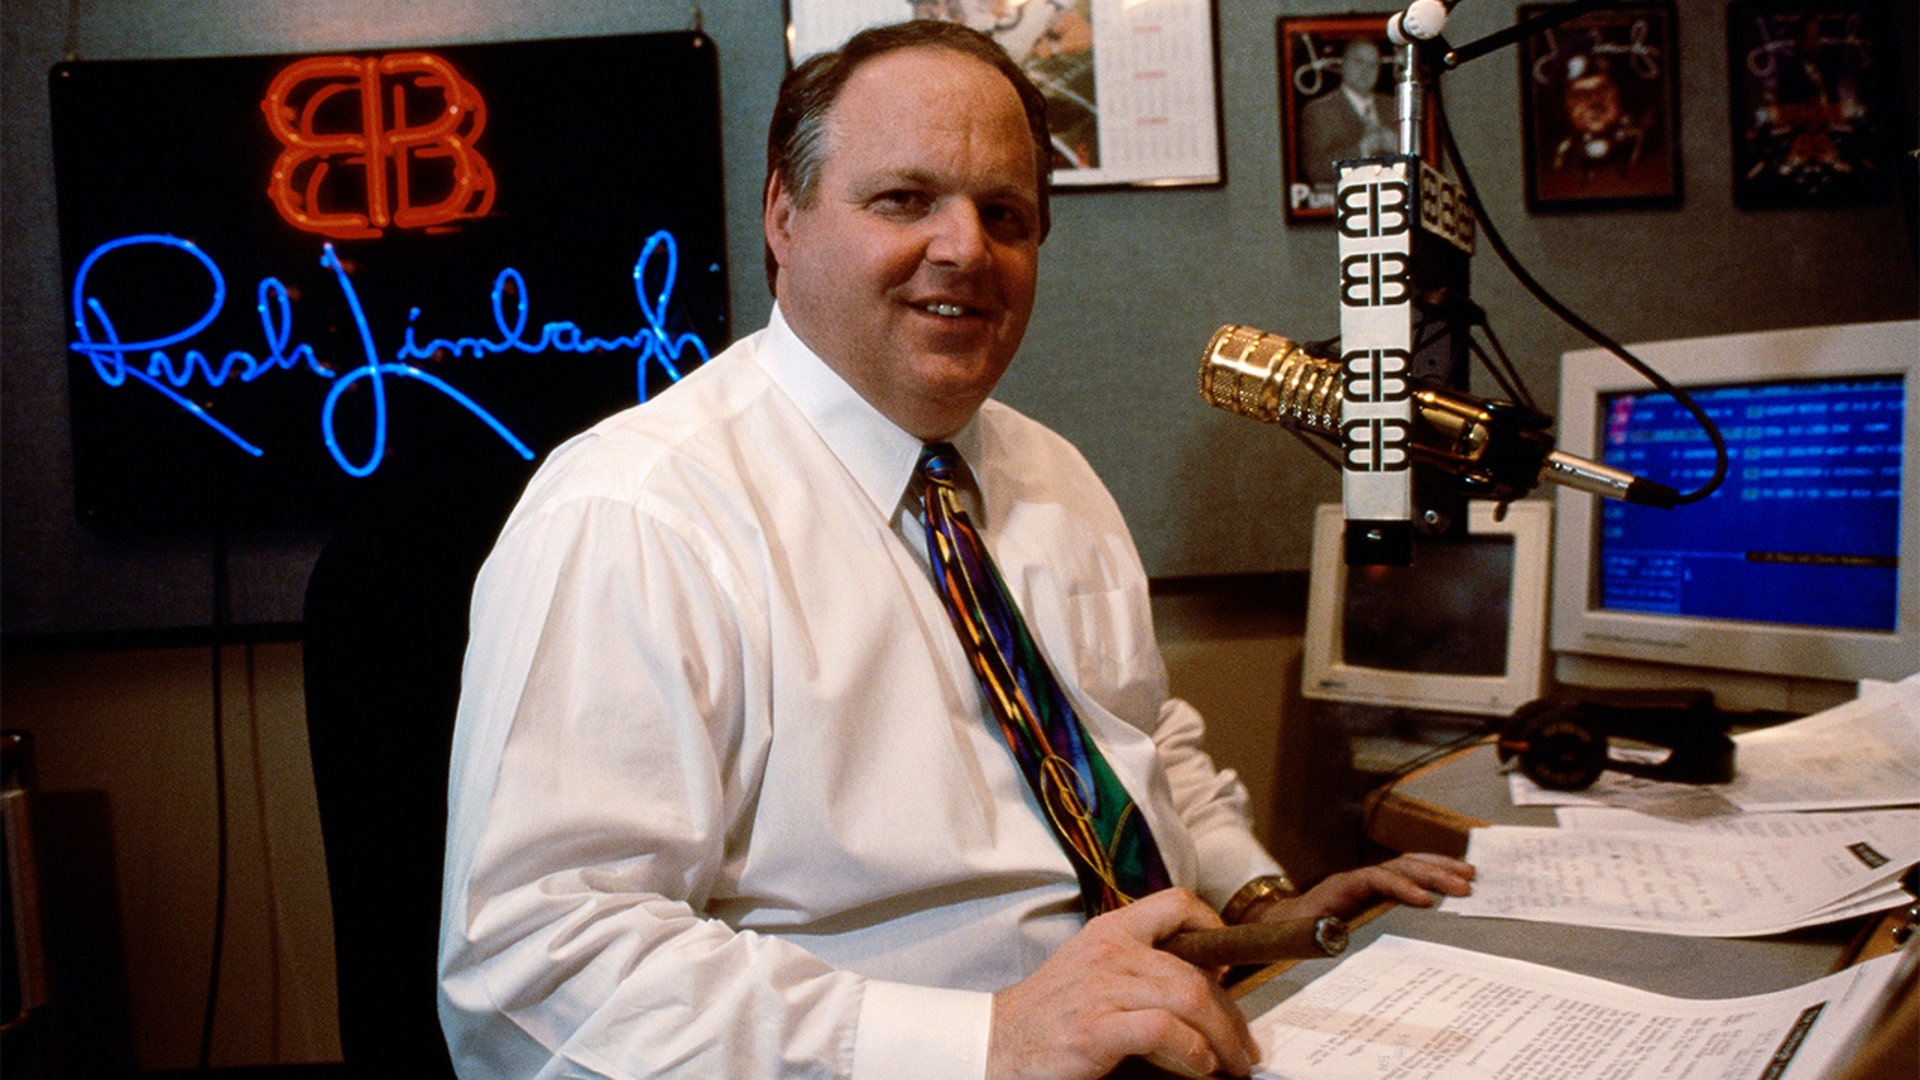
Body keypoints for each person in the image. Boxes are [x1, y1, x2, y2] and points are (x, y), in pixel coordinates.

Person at [438, 20, 1473, 1080]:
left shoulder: (1053, 473)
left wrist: (1264, 907)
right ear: (784, 217)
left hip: (1175, 1026)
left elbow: (1140, 743)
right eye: (904, 199)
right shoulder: (636, 514)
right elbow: (537, 971)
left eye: (1005, 215)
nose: (966, 249)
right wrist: (988, 1041)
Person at [1297, 38, 1399, 187]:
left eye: (1373, 64)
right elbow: (1315, 170)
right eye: (1359, 61)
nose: (1366, 70)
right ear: (1343, 64)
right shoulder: (1319, 111)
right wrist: (1361, 150)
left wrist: (1400, 146)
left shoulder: (1395, 106)